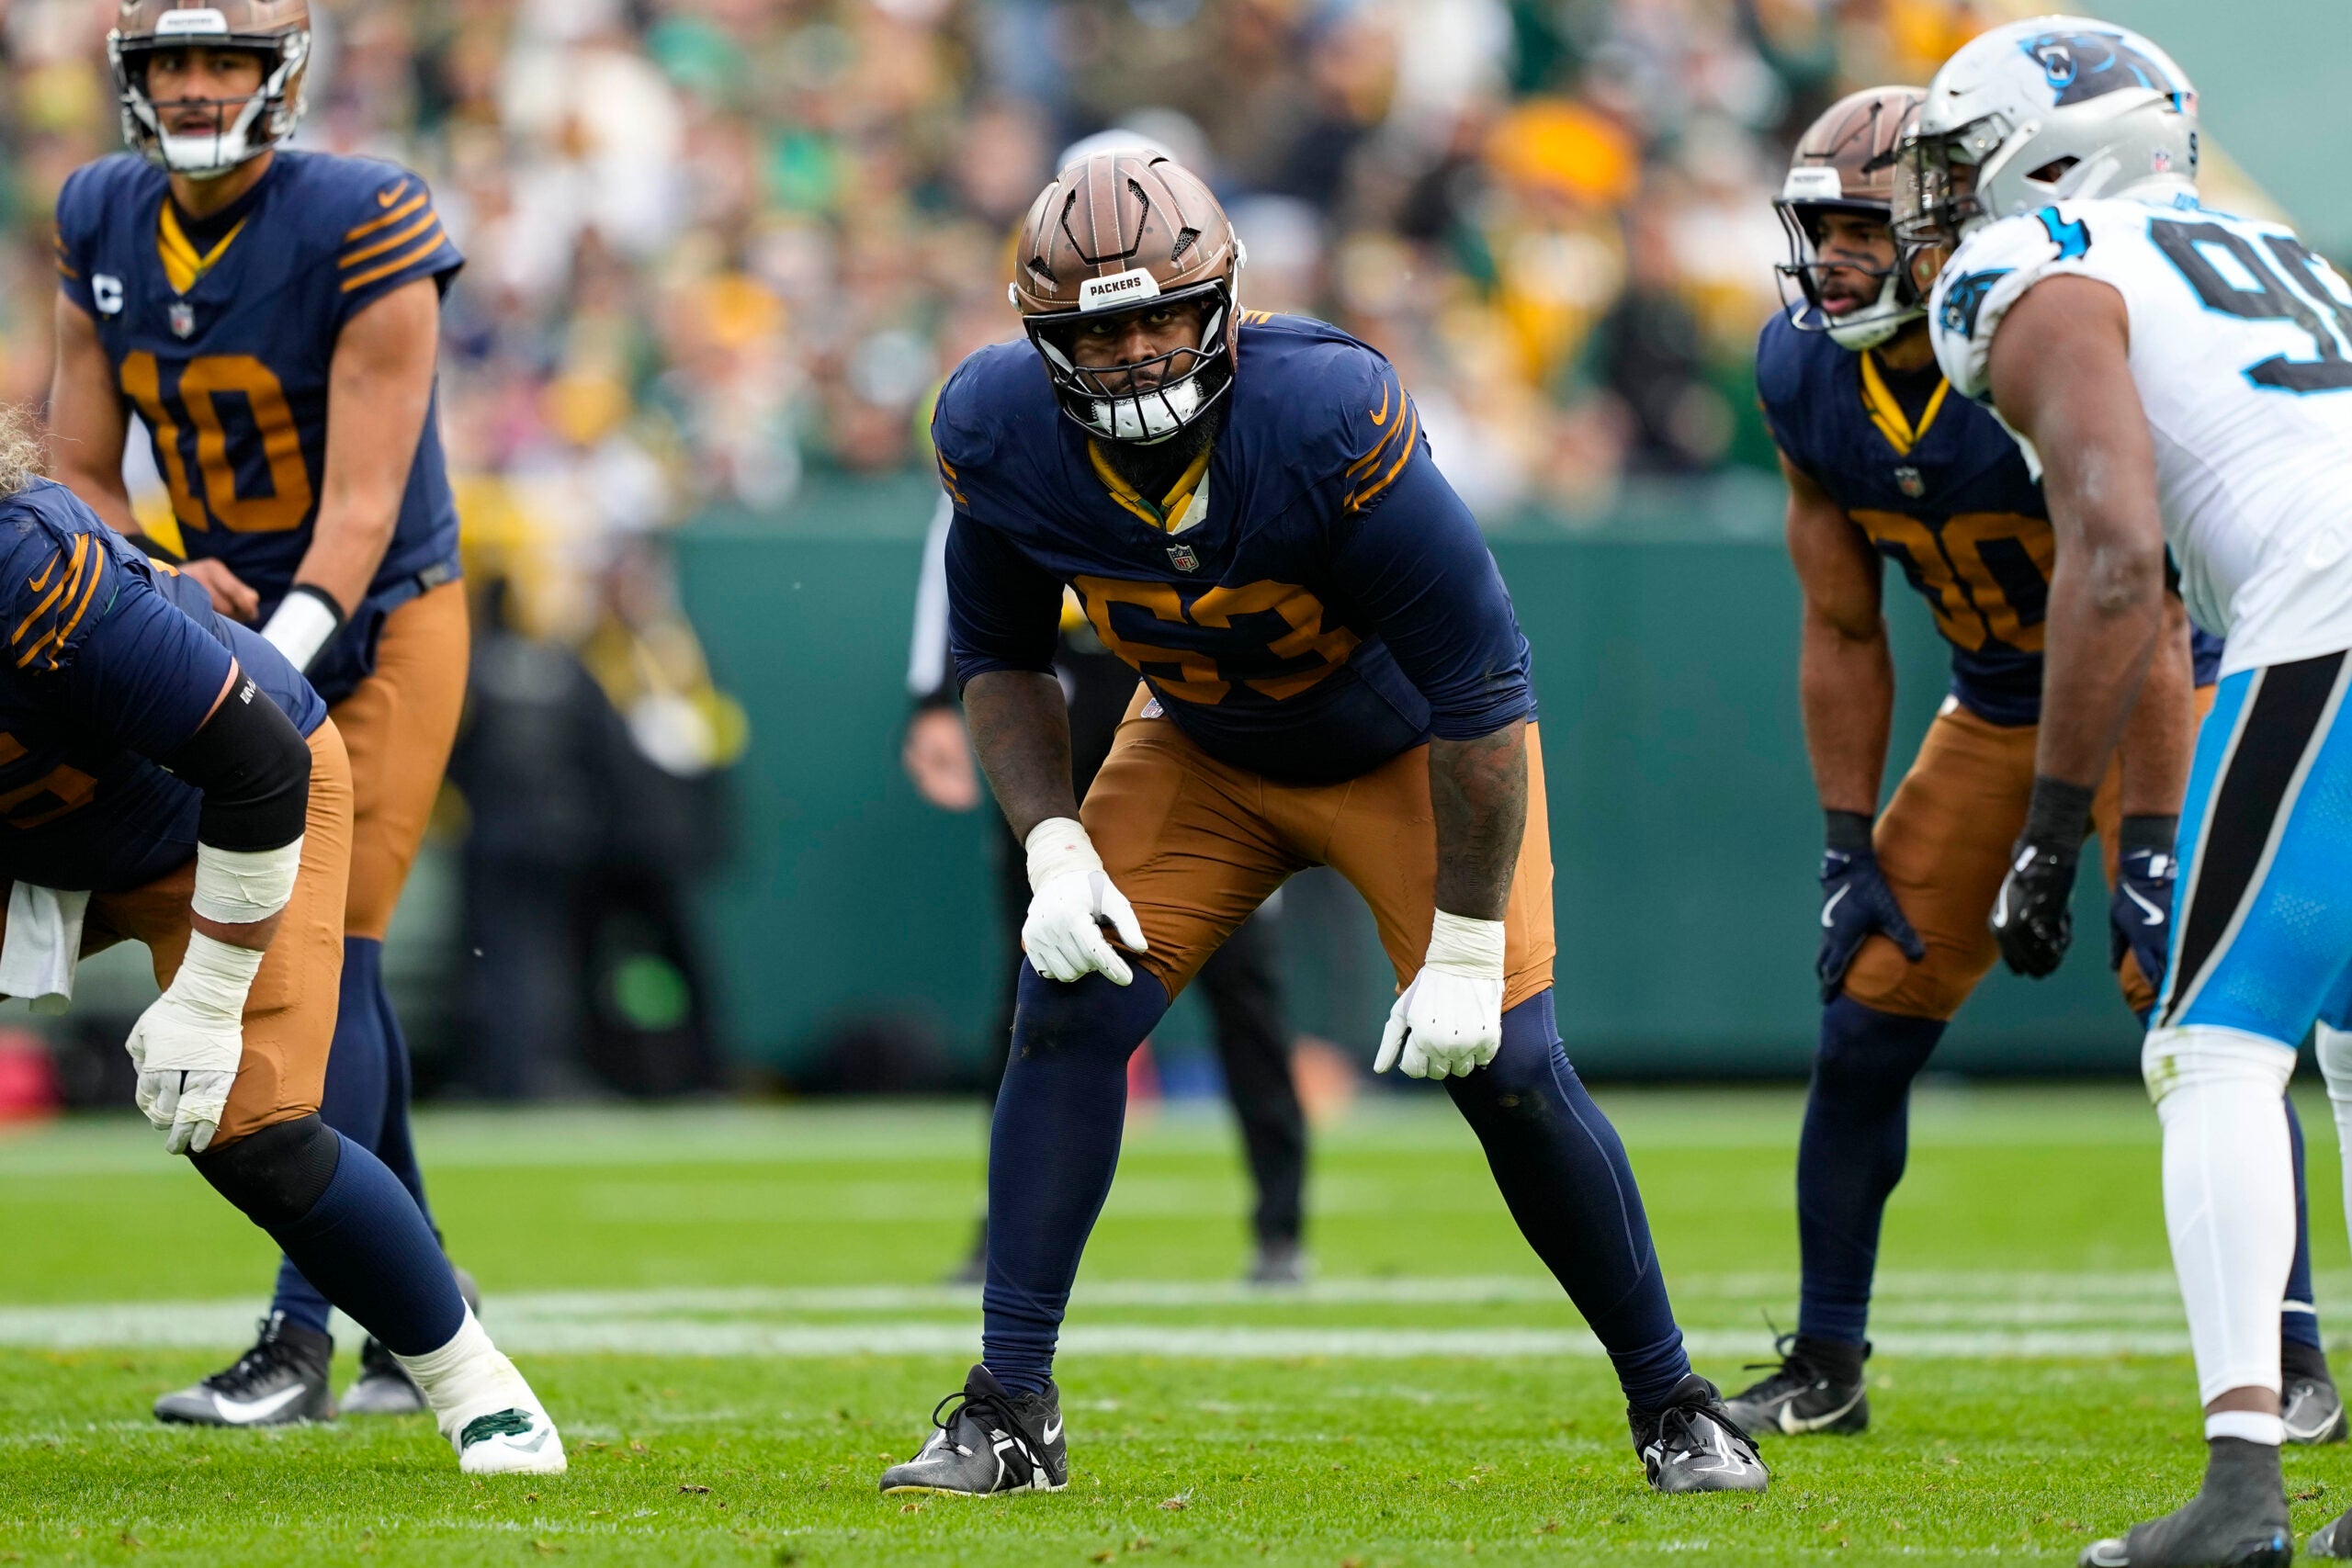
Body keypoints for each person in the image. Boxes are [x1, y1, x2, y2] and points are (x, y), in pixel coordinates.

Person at [875, 150, 1767, 1499]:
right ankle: (1009, 1407)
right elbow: (998, 654)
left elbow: (1481, 680)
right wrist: (1054, 843)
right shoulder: (998, 427)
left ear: (1223, 304)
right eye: (1097, 329)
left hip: (1411, 748)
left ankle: (1677, 1401)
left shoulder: (1325, 408)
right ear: (1042, 340)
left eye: (1159, 317)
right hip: (1201, 744)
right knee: (1068, 1005)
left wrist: (1465, 943)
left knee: (1512, 1065)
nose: (1131, 353)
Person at [1726, 85, 2340, 1444]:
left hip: (2149, 702)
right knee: (1865, 1007)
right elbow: (1838, 623)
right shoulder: (1800, 370)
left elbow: (2146, 603)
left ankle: (2290, 1357)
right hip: (1998, 705)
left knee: (2201, 1009)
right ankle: (1827, 1356)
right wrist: (1844, 843)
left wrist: (2149, 830)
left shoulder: (2021, 336)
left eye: (1858, 230)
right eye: (1814, 229)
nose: (1828, 259)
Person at [1900, 17, 2352, 1563]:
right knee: (2350, 1042)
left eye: (1958, 164)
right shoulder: (2250, 234)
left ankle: (2241, 1485)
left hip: (2331, 610)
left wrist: (2046, 825)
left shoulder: (2036, 268)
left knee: (2214, 1047)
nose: (1941, 204)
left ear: (2048, 148)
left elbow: (2112, 552)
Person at [47, 0, 474, 1424]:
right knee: (335, 964)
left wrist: (268, 664)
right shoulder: (103, 213)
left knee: (331, 953)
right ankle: (428, 1312)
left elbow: (360, 503)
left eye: (222, 57)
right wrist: (162, 583)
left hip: (385, 613)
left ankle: (301, 1329)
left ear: (282, 73)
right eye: (168, 60)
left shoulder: (364, 213)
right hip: (221, 615)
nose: (192, 84)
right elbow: (80, 481)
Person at [0, 435, 560, 1474]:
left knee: (242, 1122)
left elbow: (257, 765)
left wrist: (208, 1000)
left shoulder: (24, 568)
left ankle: (473, 1384)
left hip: (217, 819)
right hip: (35, 832)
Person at [906, 494, 1312, 1285]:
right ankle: (1006, 1227)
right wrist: (930, 697)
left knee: (1243, 980)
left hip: (1181, 688)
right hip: (1049, 689)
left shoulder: (1216, 431)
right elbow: (957, 541)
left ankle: (1281, 1222)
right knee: (1031, 977)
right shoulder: (1015, 431)